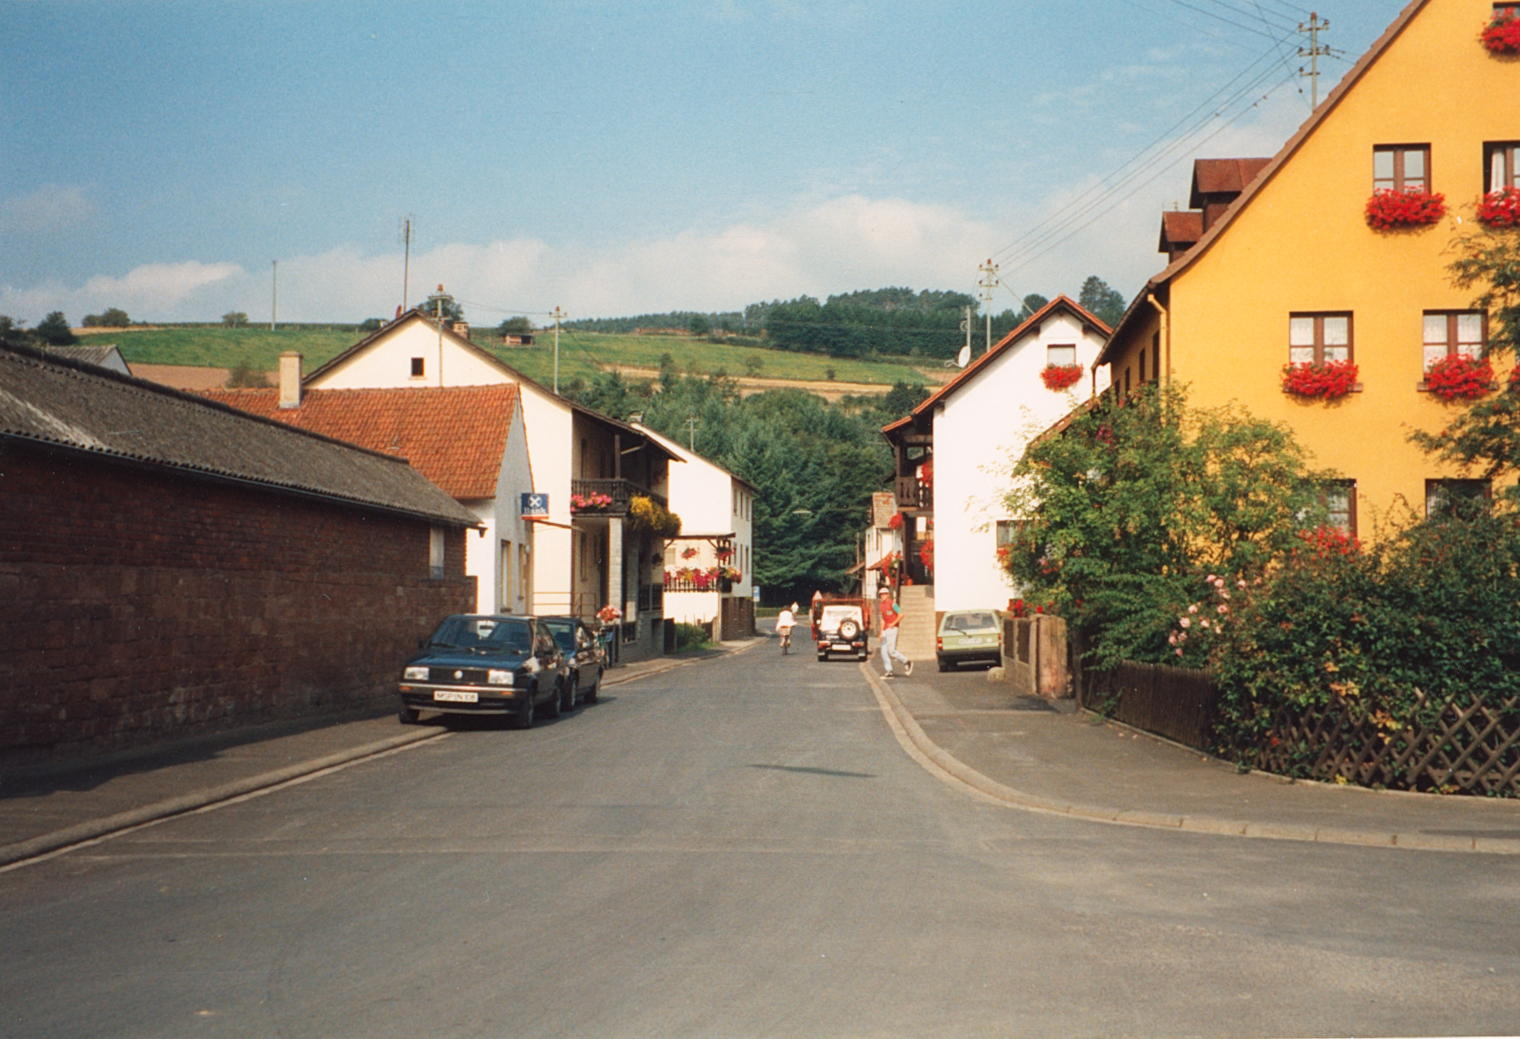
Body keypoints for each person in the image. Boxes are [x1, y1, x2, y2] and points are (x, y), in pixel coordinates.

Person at [876, 586, 912, 678]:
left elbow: (901, 614)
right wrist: (881, 632)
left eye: (884, 594)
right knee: (883, 650)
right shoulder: (881, 606)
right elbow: (883, 619)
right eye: (881, 594)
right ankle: (889, 670)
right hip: (885, 628)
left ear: (888, 595)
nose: (882, 596)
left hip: (892, 628)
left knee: (891, 650)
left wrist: (893, 623)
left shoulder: (892, 604)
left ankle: (906, 661)